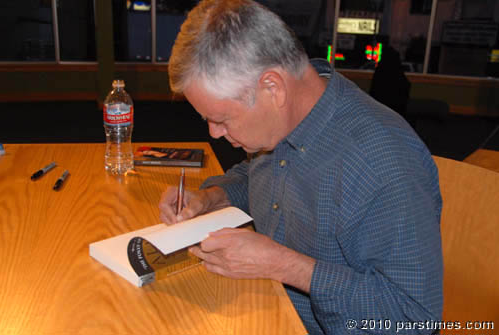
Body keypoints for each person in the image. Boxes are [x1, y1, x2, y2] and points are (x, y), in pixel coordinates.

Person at [159, 0, 443, 334]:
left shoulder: (383, 162)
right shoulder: (283, 122)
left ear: (272, 87)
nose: (213, 133)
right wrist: (211, 197)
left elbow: (414, 319)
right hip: (260, 306)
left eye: (220, 119)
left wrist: (286, 266)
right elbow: (259, 176)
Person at [369, 45, 412, 126]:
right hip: (397, 115)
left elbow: (373, 92)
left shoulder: (380, 71)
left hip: (380, 113)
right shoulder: (398, 72)